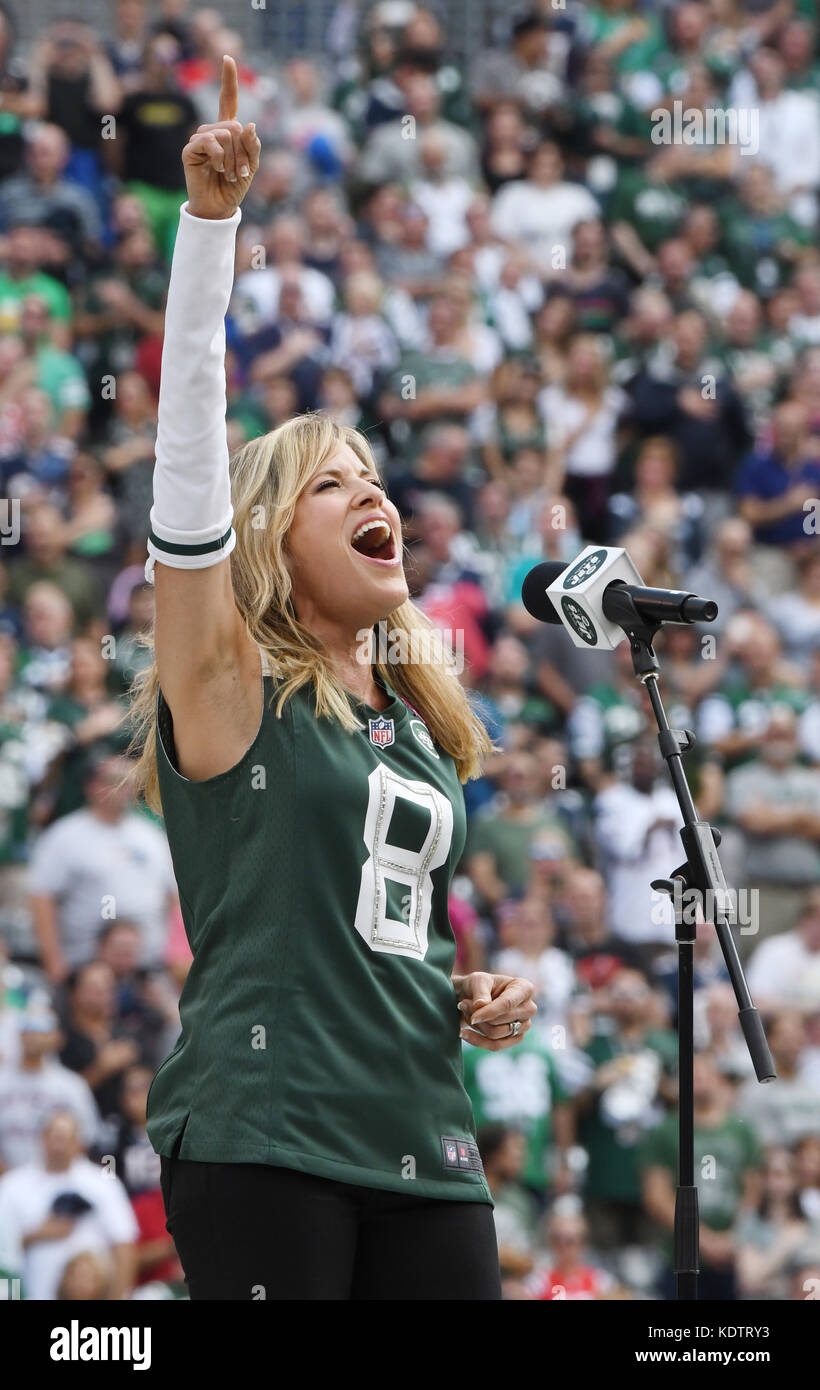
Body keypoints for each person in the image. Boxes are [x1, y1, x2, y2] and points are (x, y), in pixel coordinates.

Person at [132, 58, 536, 1302]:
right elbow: (188, 484)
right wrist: (210, 234)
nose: (373, 492)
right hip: (271, 1132)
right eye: (329, 480)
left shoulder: (416, 725)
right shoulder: (230, 685)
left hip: (427, 1135)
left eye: (373, 474)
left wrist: (458, 988)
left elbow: (376, 919)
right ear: (266, 534)